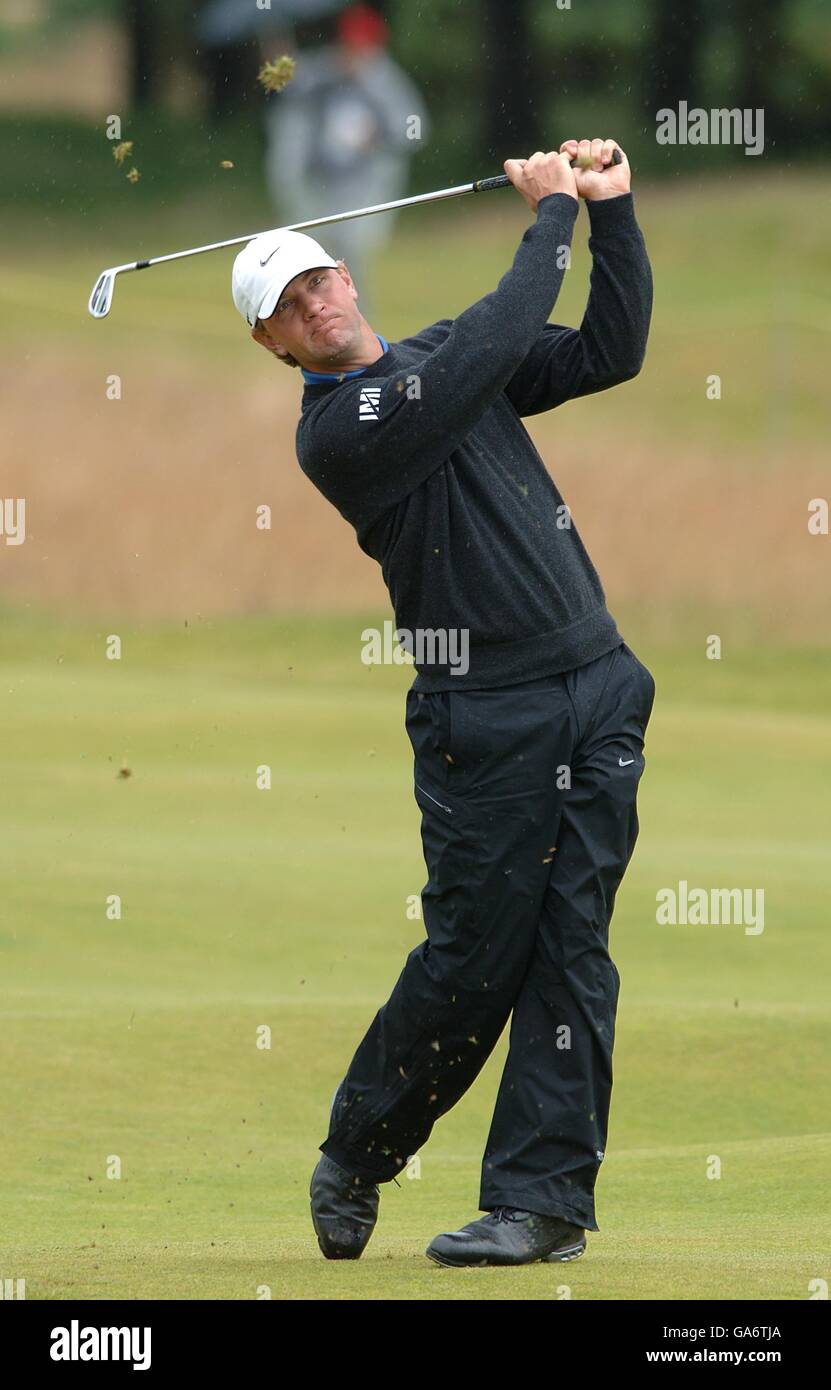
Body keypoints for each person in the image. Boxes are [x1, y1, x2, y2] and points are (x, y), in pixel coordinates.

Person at [231, 139, 655, 1268]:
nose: (316, 302)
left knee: (574, 950)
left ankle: (540, 1203)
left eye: (319, 277)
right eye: (288, 303)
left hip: (598, 681)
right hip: (485, 716)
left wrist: (610, 216)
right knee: (475, 954)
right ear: (272, 342)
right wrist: (550, 215)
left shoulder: (441, 356)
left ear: (348, 276)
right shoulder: (341, 432)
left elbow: (612, 350)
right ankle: (359, 1151)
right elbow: (491, 345)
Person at [262, 3, 429, 322]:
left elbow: (415, 130)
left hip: (364, 187)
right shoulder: (328, 69)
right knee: (316, 253)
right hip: (321, 183)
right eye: (348, 45)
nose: (352, 54)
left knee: (347, 252)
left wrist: (378, 136)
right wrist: (279, 59)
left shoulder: (386, 81)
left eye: (360, 47)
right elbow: (293, 84)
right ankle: (323, 316)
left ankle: (357, 319)